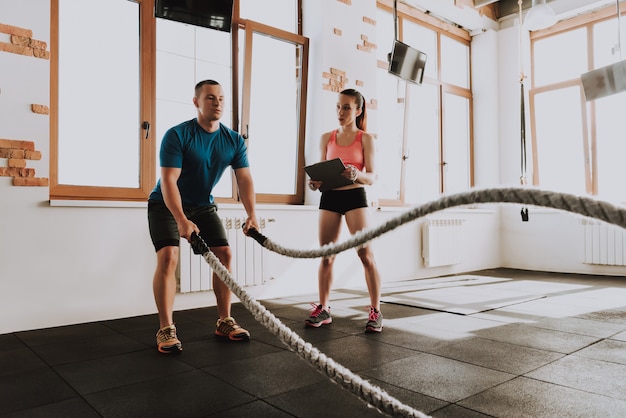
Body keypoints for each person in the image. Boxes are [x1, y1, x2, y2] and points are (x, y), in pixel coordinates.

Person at [148, 79, 259, 354]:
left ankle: (224, 321)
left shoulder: (233, 140)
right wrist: (182, 220)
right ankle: (165, 328)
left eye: (221, 97)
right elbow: (169, 181)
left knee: (225, 254)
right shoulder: (177, 135)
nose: (218, 102)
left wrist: (252, 214)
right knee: (168, 257)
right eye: (210, 97)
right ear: (196, 102)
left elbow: (244, 180)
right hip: (165, 202)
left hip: (203, 205)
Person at [306, 88, 383, 333]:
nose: (340, 112)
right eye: (338, 107)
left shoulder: (365, 138)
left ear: (358, 110)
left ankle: (375, 310)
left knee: (365, 255)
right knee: (326, 256)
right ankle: (324, 308)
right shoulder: (326, 137)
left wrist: (357, 174)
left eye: (347, 107)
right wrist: (315, 182)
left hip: (354, 196)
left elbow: (372, 177)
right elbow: (320, 169)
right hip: (330, 197)